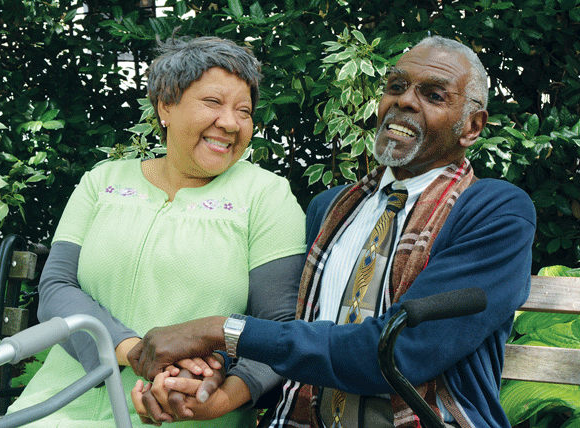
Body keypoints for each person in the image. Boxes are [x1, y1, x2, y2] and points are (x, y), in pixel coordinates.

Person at [128, 35, 537, 428]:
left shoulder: (495, 212)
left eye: (433, 95)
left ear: (472, 127)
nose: (404, 101)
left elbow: (400, 353)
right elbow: (290, 336)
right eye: (396, 86)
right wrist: (204, 379)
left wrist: (222, 329)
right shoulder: (331, 209)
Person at [5, 31, 306, 428]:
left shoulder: (266, 195)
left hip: (183, 411)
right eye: (213, 102)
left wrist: (213, 390)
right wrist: (138, 353)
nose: (230, 123)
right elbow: (57, 287)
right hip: (57, 404)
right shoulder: (103, 181)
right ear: (166, 105)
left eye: (244, 111)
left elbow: (278, 329)